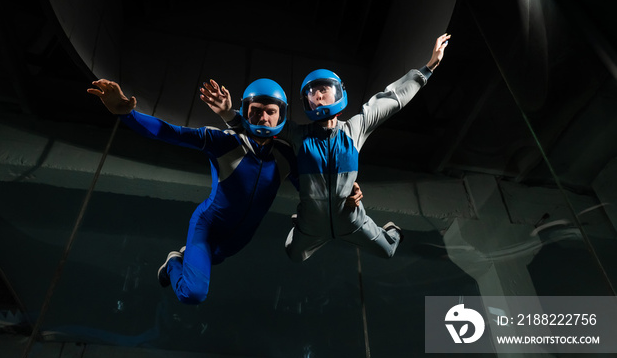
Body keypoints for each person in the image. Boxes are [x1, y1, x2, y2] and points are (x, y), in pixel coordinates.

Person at [204, 33, 450, 262]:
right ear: (306, 101)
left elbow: (392, 98)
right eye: (312, 93)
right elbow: (260, 127)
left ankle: (391, 230)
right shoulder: (298, 134)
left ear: (337, 93)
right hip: (312, 223)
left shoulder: (356, 128)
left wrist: (427, 69)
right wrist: (229, 113)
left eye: (324, 90)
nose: (319, 96)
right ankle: (300, 221)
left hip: (351, 219)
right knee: (294, 254)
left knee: (388, 250)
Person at [87, 78, 298, 304]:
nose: (264, 118)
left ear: (281, 115)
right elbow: (169, 132)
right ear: (246, 112)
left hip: (238, 240)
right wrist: (126, 114)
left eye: (270, 112)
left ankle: (184, 256)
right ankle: (173, 264)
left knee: (211, 259)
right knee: (193, 293)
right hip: (208, 226)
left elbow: (312, 187)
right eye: (256, 111)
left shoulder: (287, 155)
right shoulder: (222, 142)